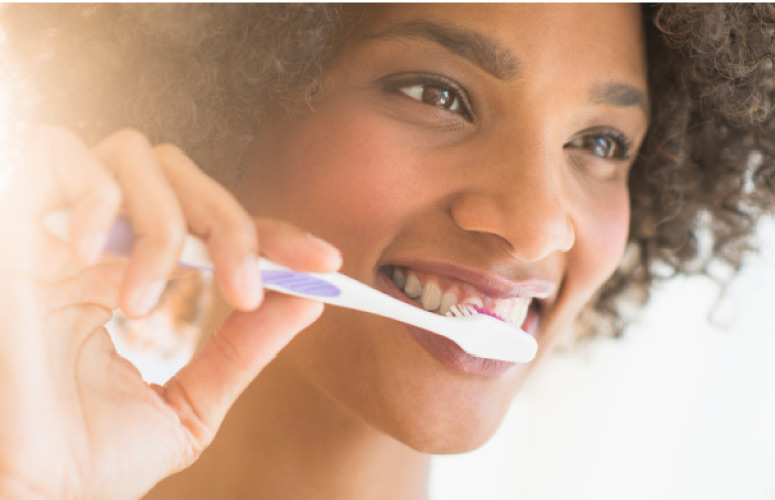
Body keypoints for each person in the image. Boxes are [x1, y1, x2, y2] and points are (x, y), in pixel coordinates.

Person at [0, 4, 774, 500]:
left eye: (600, 143)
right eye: (436, 95)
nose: (540, 225)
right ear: (232, 99)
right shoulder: (46, 466)